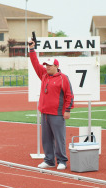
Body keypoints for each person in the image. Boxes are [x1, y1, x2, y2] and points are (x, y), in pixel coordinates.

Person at [29, 40, 74, 170]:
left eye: (49, 65)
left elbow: (69, 95)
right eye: (46, 65)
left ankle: (62, 161)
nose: (47, 67)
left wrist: (68, 110)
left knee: (59, 138)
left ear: (56, 66)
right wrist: (32, 49)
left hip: (58, 113)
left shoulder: (63, 78)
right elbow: (35, 63)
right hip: (45, 112)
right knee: (46, 138)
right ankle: (49, 160)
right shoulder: (44, 75)